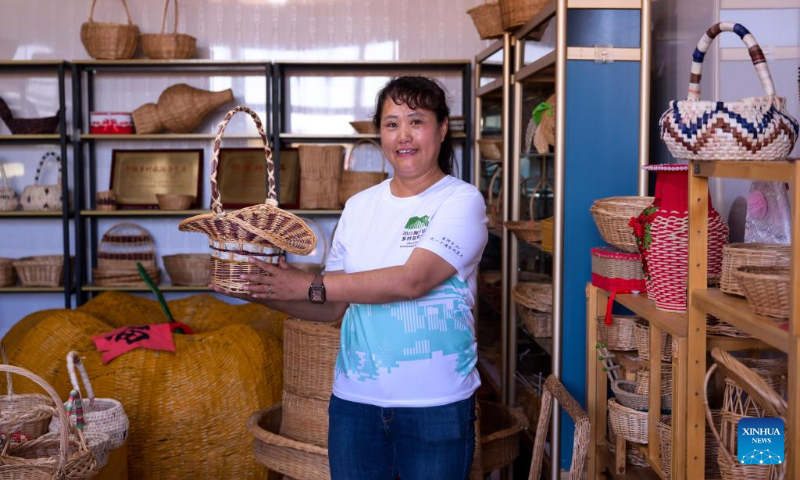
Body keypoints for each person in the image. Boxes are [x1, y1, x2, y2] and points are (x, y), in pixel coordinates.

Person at [213, 76, 488, 480]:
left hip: (436, 405)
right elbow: (333, 306)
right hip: (355, 406)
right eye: (392, 124)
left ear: (442, 128)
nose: (403, 136)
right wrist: (265, 290)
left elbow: (413, 280)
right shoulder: (359, 206)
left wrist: (306, 283)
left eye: (417, 121)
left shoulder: (460, 200)